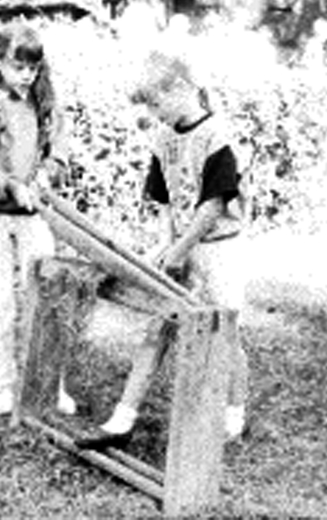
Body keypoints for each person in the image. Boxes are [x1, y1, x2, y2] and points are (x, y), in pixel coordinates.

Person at [77, 50, 249, 447]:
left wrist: (181, 248)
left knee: (225, 334)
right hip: (182, 247)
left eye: (156, 103)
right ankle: (122, 419)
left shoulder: (217, 137)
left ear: (182, 89)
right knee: (159, 327)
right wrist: (166, 242)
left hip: (219, 250)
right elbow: (164, 199)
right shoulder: (163, 137)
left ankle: (234, 418)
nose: (153, 114)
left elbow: (213, 205)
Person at [0, 21, 75, 416]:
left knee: (47, 295)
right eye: (17, 67)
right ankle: (4, 385)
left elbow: (59, 149)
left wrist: (45, 175)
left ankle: (50, 382)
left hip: (33, 211)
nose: (26, 75)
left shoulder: (45, 99)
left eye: (33, 68)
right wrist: (10, 186)